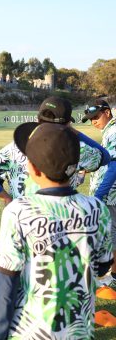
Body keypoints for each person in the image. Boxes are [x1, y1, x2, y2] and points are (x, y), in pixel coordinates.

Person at [0, 122, 113, 339]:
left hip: (30, 331)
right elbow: (103, 266)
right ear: (76, 166)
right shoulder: (97, 208)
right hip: (80, 330)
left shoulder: (17, 211)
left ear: (33, 168)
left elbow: (6, 286)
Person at [0, 96, 110, 205]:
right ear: (67, 123)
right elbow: (105, 157)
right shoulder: (75, 147)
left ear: (38, 118)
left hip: (23, 217)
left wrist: (6, 198)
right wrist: (75, 132)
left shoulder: (16, 145)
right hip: (61, 219)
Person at [82, 99, 116, 288]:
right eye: (91, 119)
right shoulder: (109, 131)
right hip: (110, 194)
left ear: (107, 113)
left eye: (96, 116)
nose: (94, 121)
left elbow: (115, 165)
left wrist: (99, 196)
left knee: (107, 236)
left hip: (110, 195)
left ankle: (107, 278)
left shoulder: (114, 131)